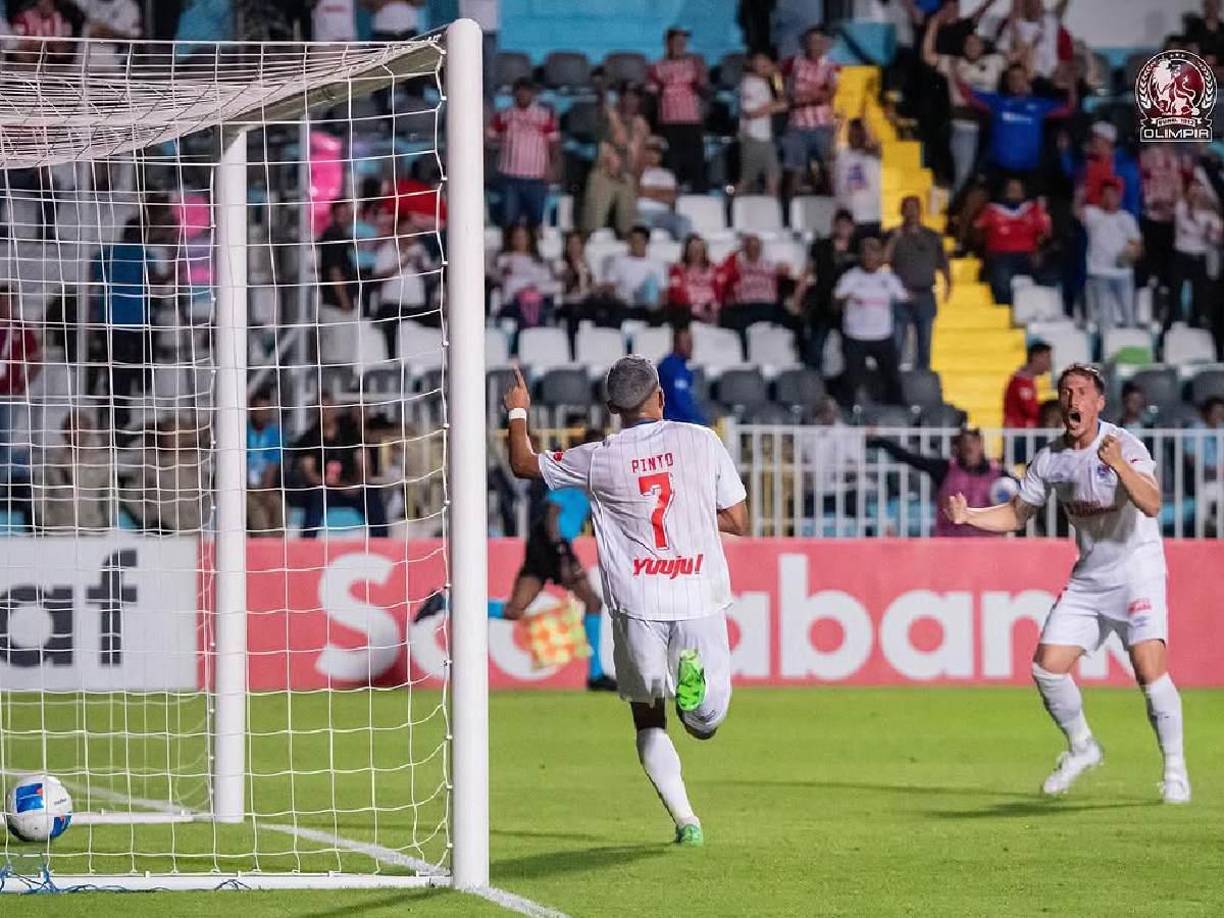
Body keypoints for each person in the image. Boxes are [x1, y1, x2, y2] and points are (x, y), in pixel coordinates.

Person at [502, 356, 749, 846]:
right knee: (704, 726)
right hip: (698, 592)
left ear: (613, 407)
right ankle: (694, 694)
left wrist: (517, 412)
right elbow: (739, 520)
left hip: (637, 602)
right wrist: (694, 517)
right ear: (660, 397)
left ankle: (686, 820)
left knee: (646, 714)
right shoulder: (702, 440)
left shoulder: (600, 456)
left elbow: (523, 464)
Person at [944, 363, 1189, 804]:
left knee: (1149, 672)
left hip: (1138, 572)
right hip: (1090, 578)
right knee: (1046, 668)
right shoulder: (1051, 459)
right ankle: (1082, 747)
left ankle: (1175, 770)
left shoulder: (1124, 445)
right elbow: (1017, 515)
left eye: (1081, 392)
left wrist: (1118, 466)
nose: (1073, 399)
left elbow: (1152, 503)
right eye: (1066, 391)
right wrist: (971, 517)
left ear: (1099, 403)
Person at [921, 17, 1007, 195]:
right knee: (964, 175)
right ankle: (954, 214)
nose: (972, 47)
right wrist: (933, 25)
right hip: (964, 126)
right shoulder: (954, 63)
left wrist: (1014, 23)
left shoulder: (994, 62)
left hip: (990, 127)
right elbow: (928, 55)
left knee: (987, 177)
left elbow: (1019, 55)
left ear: (982, 46)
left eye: (975, 43)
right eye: (968, 44)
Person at [871, 427, 1007, 537]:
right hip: (949, 543)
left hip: (986, 545)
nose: (969, 448)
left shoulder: (1000, 475)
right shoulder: (945, 469)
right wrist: (881, 441)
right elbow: (910, 458)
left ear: (981, 445)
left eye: (973, 443)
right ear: (957, 448)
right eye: (965, 444)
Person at [957, 63, 1075, 185]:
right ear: (1007, 81)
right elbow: (967, 94)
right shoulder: (997, 101)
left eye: (1019, 78)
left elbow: (1069, 108)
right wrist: (955, 67)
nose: (1016, 81)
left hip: (1029, 170)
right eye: (1012, 78)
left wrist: (1071, 82)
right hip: (998, 168)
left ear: (1026, 80)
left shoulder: (1039, 104)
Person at [293, 399, 388, 539]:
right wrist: (335, 486)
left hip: (352, 487)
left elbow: (364, 462)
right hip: (326, 489)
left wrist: (357, 484)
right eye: (322, 409)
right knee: (316, 497)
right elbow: (310, 474)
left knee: (371, 495)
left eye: (329, 409)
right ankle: (307, 544)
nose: (326, 413)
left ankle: (382, 544)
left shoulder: (350, 434)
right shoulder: (308, 439)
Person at [833, 237, 907, 405]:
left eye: (874, 253)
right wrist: (843, 301)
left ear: (880, 256)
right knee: (851, 381)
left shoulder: (889, 278)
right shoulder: (850, 277)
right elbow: (835, 301)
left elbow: (904, 298)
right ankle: (847, 413)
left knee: (892, 379)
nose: (870, 257)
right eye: (866, 253)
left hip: (882, 336)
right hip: (855, 337)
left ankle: (898, 413)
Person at [885, 195, 951, 370]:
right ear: (901, 211)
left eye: (914, 207)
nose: (911, 211)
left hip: (925, 294)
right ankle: (895, 382)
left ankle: (923, 383)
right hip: (901, 294)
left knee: (924, 344)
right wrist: (895, 239)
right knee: (897, 343)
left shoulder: (932, 236)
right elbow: (884, 259)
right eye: (907, 207)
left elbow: (943, 263)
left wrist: (948, 284)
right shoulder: (893, 234)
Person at [487, 77, 559, 229]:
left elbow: (554, 143)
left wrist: (552, 168)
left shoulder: (544, 115)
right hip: (510, 176)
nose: (523, 95)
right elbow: (490, 138)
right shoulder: (504, 115)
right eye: (520, 91)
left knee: (536, 220)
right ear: (514, 93)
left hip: (536, 178)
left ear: (533, 94)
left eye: (527, 91)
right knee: (510, 220)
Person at [793, 208, 857, 373]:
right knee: (816, 345)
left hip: (849, 307)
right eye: (839, 225)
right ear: (834, 226)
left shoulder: (857, 250)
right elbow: (807, 272)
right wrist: (797, 298)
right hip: (822, 303)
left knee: (850, 348)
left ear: (852, 227)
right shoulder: (820, 246)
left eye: (846, 225)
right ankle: (814, 381)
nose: (842, 229)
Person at [646, 27, 708, 192]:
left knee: (697, 167)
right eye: (677, 41)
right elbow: (651, 95)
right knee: (672, 167)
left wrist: (701, 72)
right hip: (669, 123)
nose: (681, 45)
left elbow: (704, 89)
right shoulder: (657, 67)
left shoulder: (694, 64)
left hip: (692, 122)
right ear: (668, 43)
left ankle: (700, 203)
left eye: (683, 42)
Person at [974, 177, 1052, 305]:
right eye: (1011, 189)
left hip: (1028, 254)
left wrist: (1039, 249)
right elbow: (977, 230)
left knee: (1047, 276)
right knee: (1000, 279)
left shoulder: (1033, 209)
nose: (1014, 192)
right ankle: (1007, 309)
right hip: (1000, 255)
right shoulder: (991, 210)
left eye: (1017, 189)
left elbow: (1045, 232)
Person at [781, 26, 839, 197]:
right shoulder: (794, 62)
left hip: (821, 124)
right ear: (805, 44)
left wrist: (806, 97)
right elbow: (777, 74)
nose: (815, 46)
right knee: (794, 170)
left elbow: (830, 92)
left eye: (819, 42)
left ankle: (831, 206)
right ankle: (788, 212)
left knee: (827, 169)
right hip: (797, 125)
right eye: (812, 41)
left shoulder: (831, 66)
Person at [1080, 178, 1142, 331]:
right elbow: (1077, 213)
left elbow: (1137, 244)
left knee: (1129, 316)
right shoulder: (1092, 214)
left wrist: (1129, 255)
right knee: (1105, 319)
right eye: (1106, 195)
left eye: (1113, 195)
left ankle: (1130, 346)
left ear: (1119, 197)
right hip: (1100, 273)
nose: (1109, 199)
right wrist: (1079, 195)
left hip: (1123, 274)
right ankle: (1107, 349)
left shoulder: (1126, 218)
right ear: (1101, 197)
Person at [35, 410, 112, 532]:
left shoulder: (101, 463)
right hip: (59, 530)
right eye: (71, 428)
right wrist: (46, 522)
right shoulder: (52, 463)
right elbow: (40, 493)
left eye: (80, 428)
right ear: (64, 431)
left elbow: (110, 494)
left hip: (93, 529)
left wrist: (107, 522)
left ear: (88, 430)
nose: (75, 433)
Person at [1167, 179, 1223, 331]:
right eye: (1193, 188)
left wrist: (1211, 233)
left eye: (1199, 189)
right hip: (1182, 255)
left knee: (1199, 295)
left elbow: (1215, 237)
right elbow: (1187, 228)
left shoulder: (1211, 214)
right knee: (1175, 293)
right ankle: (1173, 324)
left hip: (1199, 257)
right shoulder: (1181, 207)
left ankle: (1196, 325)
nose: (1196, 192)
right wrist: (1205, 230)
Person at [0, 286, 40, 491]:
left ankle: (2, 481)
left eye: (7, 301)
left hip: (8, 394)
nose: (4, 306)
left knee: (5, 438)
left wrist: (22, 385)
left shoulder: (21, 328)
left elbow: (37, 360)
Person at [736, 51, 786, 195]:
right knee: (747, 180)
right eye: (761, 66)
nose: (766, 68)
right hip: (753, 137)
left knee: (774, 176)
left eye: (767, 65)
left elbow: (781, 98)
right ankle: (731, 209)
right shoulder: (749, 83)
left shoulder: (765, 82)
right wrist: (775, 108)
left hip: (765, 137)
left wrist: (777, 78)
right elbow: (750, 112)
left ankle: (771, 210)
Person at [718, 234, 788, 333]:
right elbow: (724, 273)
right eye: (750, 247)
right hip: (746, 306)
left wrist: (783, 270)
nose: (754, 250)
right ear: (745, 249)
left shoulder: (769, 265)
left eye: (757, 247)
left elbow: (784, 272)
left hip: (767, 305)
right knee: (736, 320)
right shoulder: (738, 265)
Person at [494, 224, 560, 328]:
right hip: (514, 301)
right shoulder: (506, 260)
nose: (520, 241)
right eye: (517, 237)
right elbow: (509, 284)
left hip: (539, 299)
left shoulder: (538, 261)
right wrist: (527, 286)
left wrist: (535, 288)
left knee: (543, 306)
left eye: (523, 237)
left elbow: (550, 284)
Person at [601, 225, 668, 322]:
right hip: (624, 305)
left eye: (639, 240)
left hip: (648, 307)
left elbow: (663, 291)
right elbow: (610, 287)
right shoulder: (618, 260)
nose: (635, 244)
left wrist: (658, 304)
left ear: (646, 242)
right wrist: (617, 299)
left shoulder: (657, 263)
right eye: (632, 240)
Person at [832, 119, 882, 239]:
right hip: (846, 221)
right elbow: (829, 153)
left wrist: (866, 124)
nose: (855, 136)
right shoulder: (842, 153)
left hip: (871, 217)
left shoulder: (873, 154)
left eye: (859, 133)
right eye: (852, 132)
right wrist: (837, 129)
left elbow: (876, 145)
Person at [635, 136, 692, 240]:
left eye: (656, 152)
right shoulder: (636, 172)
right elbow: (636, 192)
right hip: (641, 212)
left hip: (663, 214)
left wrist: (647, 192)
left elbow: (671, 198)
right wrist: (660, 193)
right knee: (641, 227)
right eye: (649, 151)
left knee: (683, 222)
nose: (652, 155)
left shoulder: (668, 175)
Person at [247, 390, 284, 537]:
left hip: (265, 487)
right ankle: (263, 552)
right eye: (259, 410)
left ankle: (278, 550)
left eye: (265, 410)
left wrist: (265, 493)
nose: (262, 414)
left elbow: (272, 467)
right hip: (245, 489)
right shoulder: (241, 431)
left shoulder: (274, 434)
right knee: (258, 515)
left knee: (279, 507)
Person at [667, 234, 725, 324]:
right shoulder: (678, 269)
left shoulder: (714, 268)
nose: (696, 252)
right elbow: (676, 293)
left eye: (699, 249)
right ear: (687, 251)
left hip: (712, 309)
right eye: (693, 249)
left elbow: (721, 290)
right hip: (688, 311)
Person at [657, 321, 707, 425]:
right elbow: (681, 401)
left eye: (692, 343)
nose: (691, 347)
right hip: (675, 424)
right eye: (687, 343)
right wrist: (700, 422)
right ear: (676, 344)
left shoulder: (680, 367)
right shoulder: (672, 368)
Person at [1004, 341, 1052, 429]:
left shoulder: (1026, 380)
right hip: (1020, 435)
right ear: (1036, 357)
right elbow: (1031, 410)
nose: (1049, 363)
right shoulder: (1021, 381)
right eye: (1047, 358)